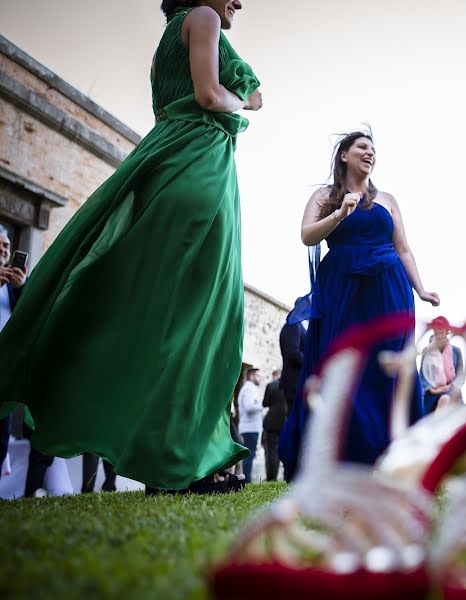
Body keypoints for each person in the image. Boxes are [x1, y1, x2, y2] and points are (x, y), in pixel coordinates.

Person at [0, 0, 262, 492]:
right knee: (200, 319)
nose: (240, 2)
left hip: (167, 160)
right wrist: (243, 98)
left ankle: (174, 462)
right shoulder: (203, 18)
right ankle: (179, 463)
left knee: (169, 316)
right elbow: (209, 95)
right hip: (200, 165)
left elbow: (173, 103)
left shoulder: (171, 35)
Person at [278, 131, 440, 477]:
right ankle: (340, 453)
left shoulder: (389, 199)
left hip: (388, 286)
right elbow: (307, 235)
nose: (370, 154)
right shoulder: (325, 195)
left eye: (373, 150)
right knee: (341, 363)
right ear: (344, 156)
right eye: (362, 148)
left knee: (388, 365)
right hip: (341, 286)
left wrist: (422, 290)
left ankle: (391, 454)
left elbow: (404, 249)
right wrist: (339, 213)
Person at [0, 225, 26, 480]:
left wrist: (20, 288)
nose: (3, 250)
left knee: (1, 434)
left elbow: (26, 318)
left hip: (3, 369)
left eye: (6, 246)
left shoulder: (12, 284)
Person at [420, 316, 466, 414]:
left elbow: (460, 374)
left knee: (445, 399)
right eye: (436, 328)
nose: (439, 330)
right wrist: (431, 389)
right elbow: (422, 374)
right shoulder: (426, 351)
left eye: (441, 328)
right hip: (432, 392)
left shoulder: (456, 351)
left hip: (450, 390)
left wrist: (450, 387)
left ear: (447, 330)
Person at [261, 369, 287, 481]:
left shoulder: (271, 385)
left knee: (271, 452)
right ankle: (287, 476)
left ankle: (271, 478)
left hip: (272, 422)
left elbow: (265, 403)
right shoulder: (293, 385)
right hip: (286, 421)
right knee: (286, 448)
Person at [237, 368, 262, 481]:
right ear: (251, 376)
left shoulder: (248, 388)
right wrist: (261, 406)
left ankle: (247, 480)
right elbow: (249, 407)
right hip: (250, 428)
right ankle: (247, 481)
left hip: (249, 427)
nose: (260, 378)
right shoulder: (249, 389)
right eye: (258, 375)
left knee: (249, 455)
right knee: (249, 455)